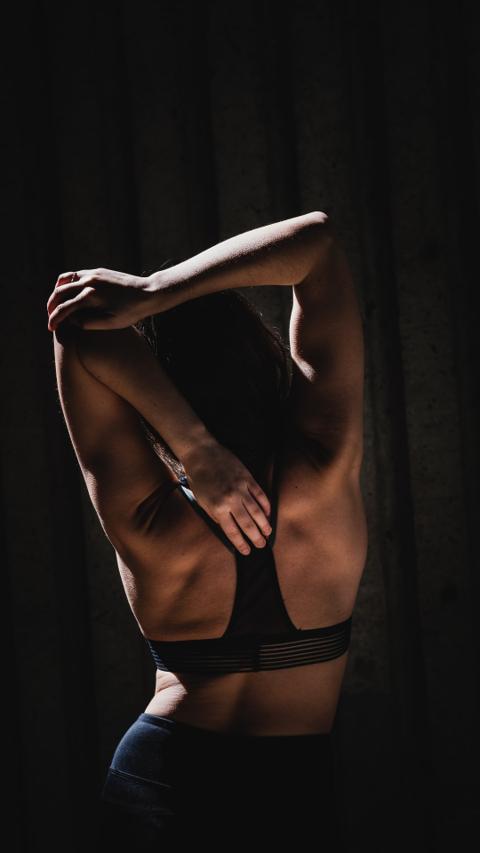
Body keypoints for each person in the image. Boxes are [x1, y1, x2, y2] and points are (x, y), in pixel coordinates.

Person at [47, 211, 367, 850]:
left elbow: (75, 324)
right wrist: (157, 291)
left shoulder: (151, 517)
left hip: (160, 778)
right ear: (260, 355)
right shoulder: (325, 468)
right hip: (294, 790)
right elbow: (318, 243)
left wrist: (193, 445)